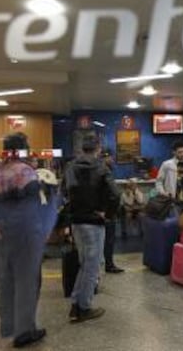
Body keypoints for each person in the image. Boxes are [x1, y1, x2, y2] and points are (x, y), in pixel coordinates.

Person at [0, 133, 58, 348]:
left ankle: (8, 324)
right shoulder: (25, 172)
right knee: (27, 280)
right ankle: (24, 331)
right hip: (25, 233)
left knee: (6, 279)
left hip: (0, 233)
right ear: (23, 149)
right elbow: (31, 206)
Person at [63, 136, 120, 323]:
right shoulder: (102, 167)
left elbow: (64, 193)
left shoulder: (70, 167)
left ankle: (76, 304)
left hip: (76, 222)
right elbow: (115, 195)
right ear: (98, 148)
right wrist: (108, 214)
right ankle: (84, 308)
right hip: (94, 223)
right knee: (92, 267)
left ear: (82, 148)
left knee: (85, 264)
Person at [155, 141, 183, 215]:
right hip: (172, 201)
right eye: (180, 152)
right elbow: (159, 181)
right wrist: (163, 193)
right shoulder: (167, 165)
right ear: (174, 152)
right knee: (174, 223)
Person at [101, 149, 124, 273]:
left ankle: (106, 264)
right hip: (107, 212)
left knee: (104, 240)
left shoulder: (99, 170)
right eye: (110, 157)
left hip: (100, 211)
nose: (112, 160)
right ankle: (108, 264)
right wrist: (111, 213)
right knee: (108, 240)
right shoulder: (106, 171)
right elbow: (115, 194)